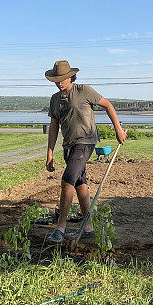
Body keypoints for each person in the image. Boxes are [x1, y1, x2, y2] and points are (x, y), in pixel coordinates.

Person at [44, 60, 126, 244]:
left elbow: (108, 105)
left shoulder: (84, 91)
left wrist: (118, 129)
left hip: (85, 142)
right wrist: (49, 153)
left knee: (68, 178)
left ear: (70, 77)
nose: (59, 82)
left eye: (62, 79)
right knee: (80, 183)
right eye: (56, 79)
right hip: (69, 145)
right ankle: (88, 228)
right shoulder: (55, 99)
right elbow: (54, 127)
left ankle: (60, 227)